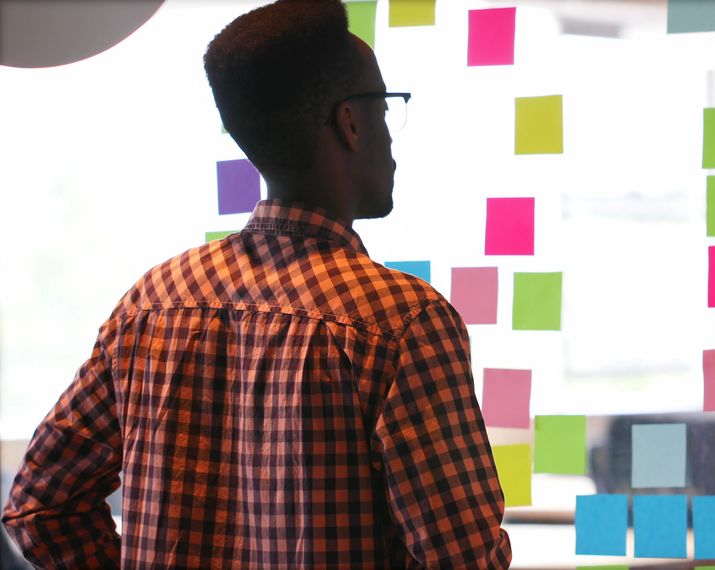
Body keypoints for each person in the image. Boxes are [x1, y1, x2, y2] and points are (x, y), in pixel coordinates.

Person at [1, 0, 512, 567]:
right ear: (350, 122)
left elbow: (40, 508)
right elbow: (466, 559)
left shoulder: (150, 304)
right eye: (385, 109)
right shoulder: (402, 324)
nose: (390, 134)